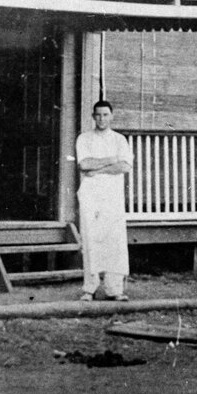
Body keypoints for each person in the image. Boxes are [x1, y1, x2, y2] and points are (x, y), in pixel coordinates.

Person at [75, 100, 133, 301]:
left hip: (112, 195)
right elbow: (84, 164)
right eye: (98, 115)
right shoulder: (84, 139)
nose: (101, 119)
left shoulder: (119, 140)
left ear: (112, 116)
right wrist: (112, 159)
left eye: (105, 115)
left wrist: (98, 169)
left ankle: (114, 289)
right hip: (91, 193)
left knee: (114, 239)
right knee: (91, 237)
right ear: (93, 116)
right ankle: (89, 288)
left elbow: (125, 166)